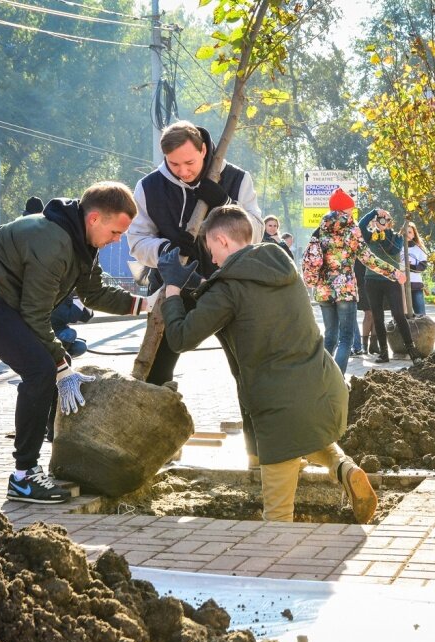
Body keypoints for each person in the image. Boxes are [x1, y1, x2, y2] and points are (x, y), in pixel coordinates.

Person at [158, 205, 378, 523]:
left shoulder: (228, 289)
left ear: (221, 240)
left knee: (276, 520)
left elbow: (180, 337)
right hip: (325, 390)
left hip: (278, 412)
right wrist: (203, 284)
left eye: (211, 250)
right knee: (308, 435)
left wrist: (174, 290)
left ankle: (280, 564)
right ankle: (346, 469)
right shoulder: (281, 264)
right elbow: (247, 299)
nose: (213, 259)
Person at [0, 182, 150, 504]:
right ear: (95, 218)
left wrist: (146, 304)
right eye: (116, 233)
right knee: (41, 370)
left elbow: (94, 294)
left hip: (4, 299)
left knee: (53, 366)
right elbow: (35, 314)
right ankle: (24, 477)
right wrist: (59, 366)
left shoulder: (83, 241)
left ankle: (57, 454)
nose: (116, 242)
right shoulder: (53, 242)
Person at [126, 120, 262, 466]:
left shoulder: (236, 179)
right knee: (158, 372)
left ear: (204, 149)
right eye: (175, 165)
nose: (183, 171)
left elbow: (257, 233)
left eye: (190, 163)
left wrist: (229, 206)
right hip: (174, 288)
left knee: (249, 370)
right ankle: (160, 450)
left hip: (230, 286)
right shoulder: (150, 187)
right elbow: (137, 240)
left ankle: (259, 452)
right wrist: (167, 250)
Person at [303, 188, 405, 373]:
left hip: (323, 291)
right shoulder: (351, 229)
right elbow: (368, 258)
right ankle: (338, 383)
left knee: (330, 336)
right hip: (345, 290)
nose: (352, 212)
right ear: (344, 209)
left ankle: (321, 379)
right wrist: (394, 272)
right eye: (350, 208)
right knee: (346, 338)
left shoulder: (320, 229)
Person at [358, 208, 423, 364]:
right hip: (372, 281)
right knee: (378, 317)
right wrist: (374, 212)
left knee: (399, 315)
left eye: (385, 219)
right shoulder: (369, 236)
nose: (381, 222)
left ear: (389, 222)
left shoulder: (397, 237)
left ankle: (412, 351)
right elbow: (359, 226)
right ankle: (383, 353)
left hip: (391, 281)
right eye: (378, 219)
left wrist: (383, 231)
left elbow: (391, 248)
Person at [403, 222, 429, 316]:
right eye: (405, 232)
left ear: (414, 234)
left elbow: (422, 266)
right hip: (401, 286)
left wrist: (409, 267)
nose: (407, 234)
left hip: (416, 285)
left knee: (421, 314)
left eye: (409, 232)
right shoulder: (398, 248)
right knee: (402, 316)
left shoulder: (419, 249)